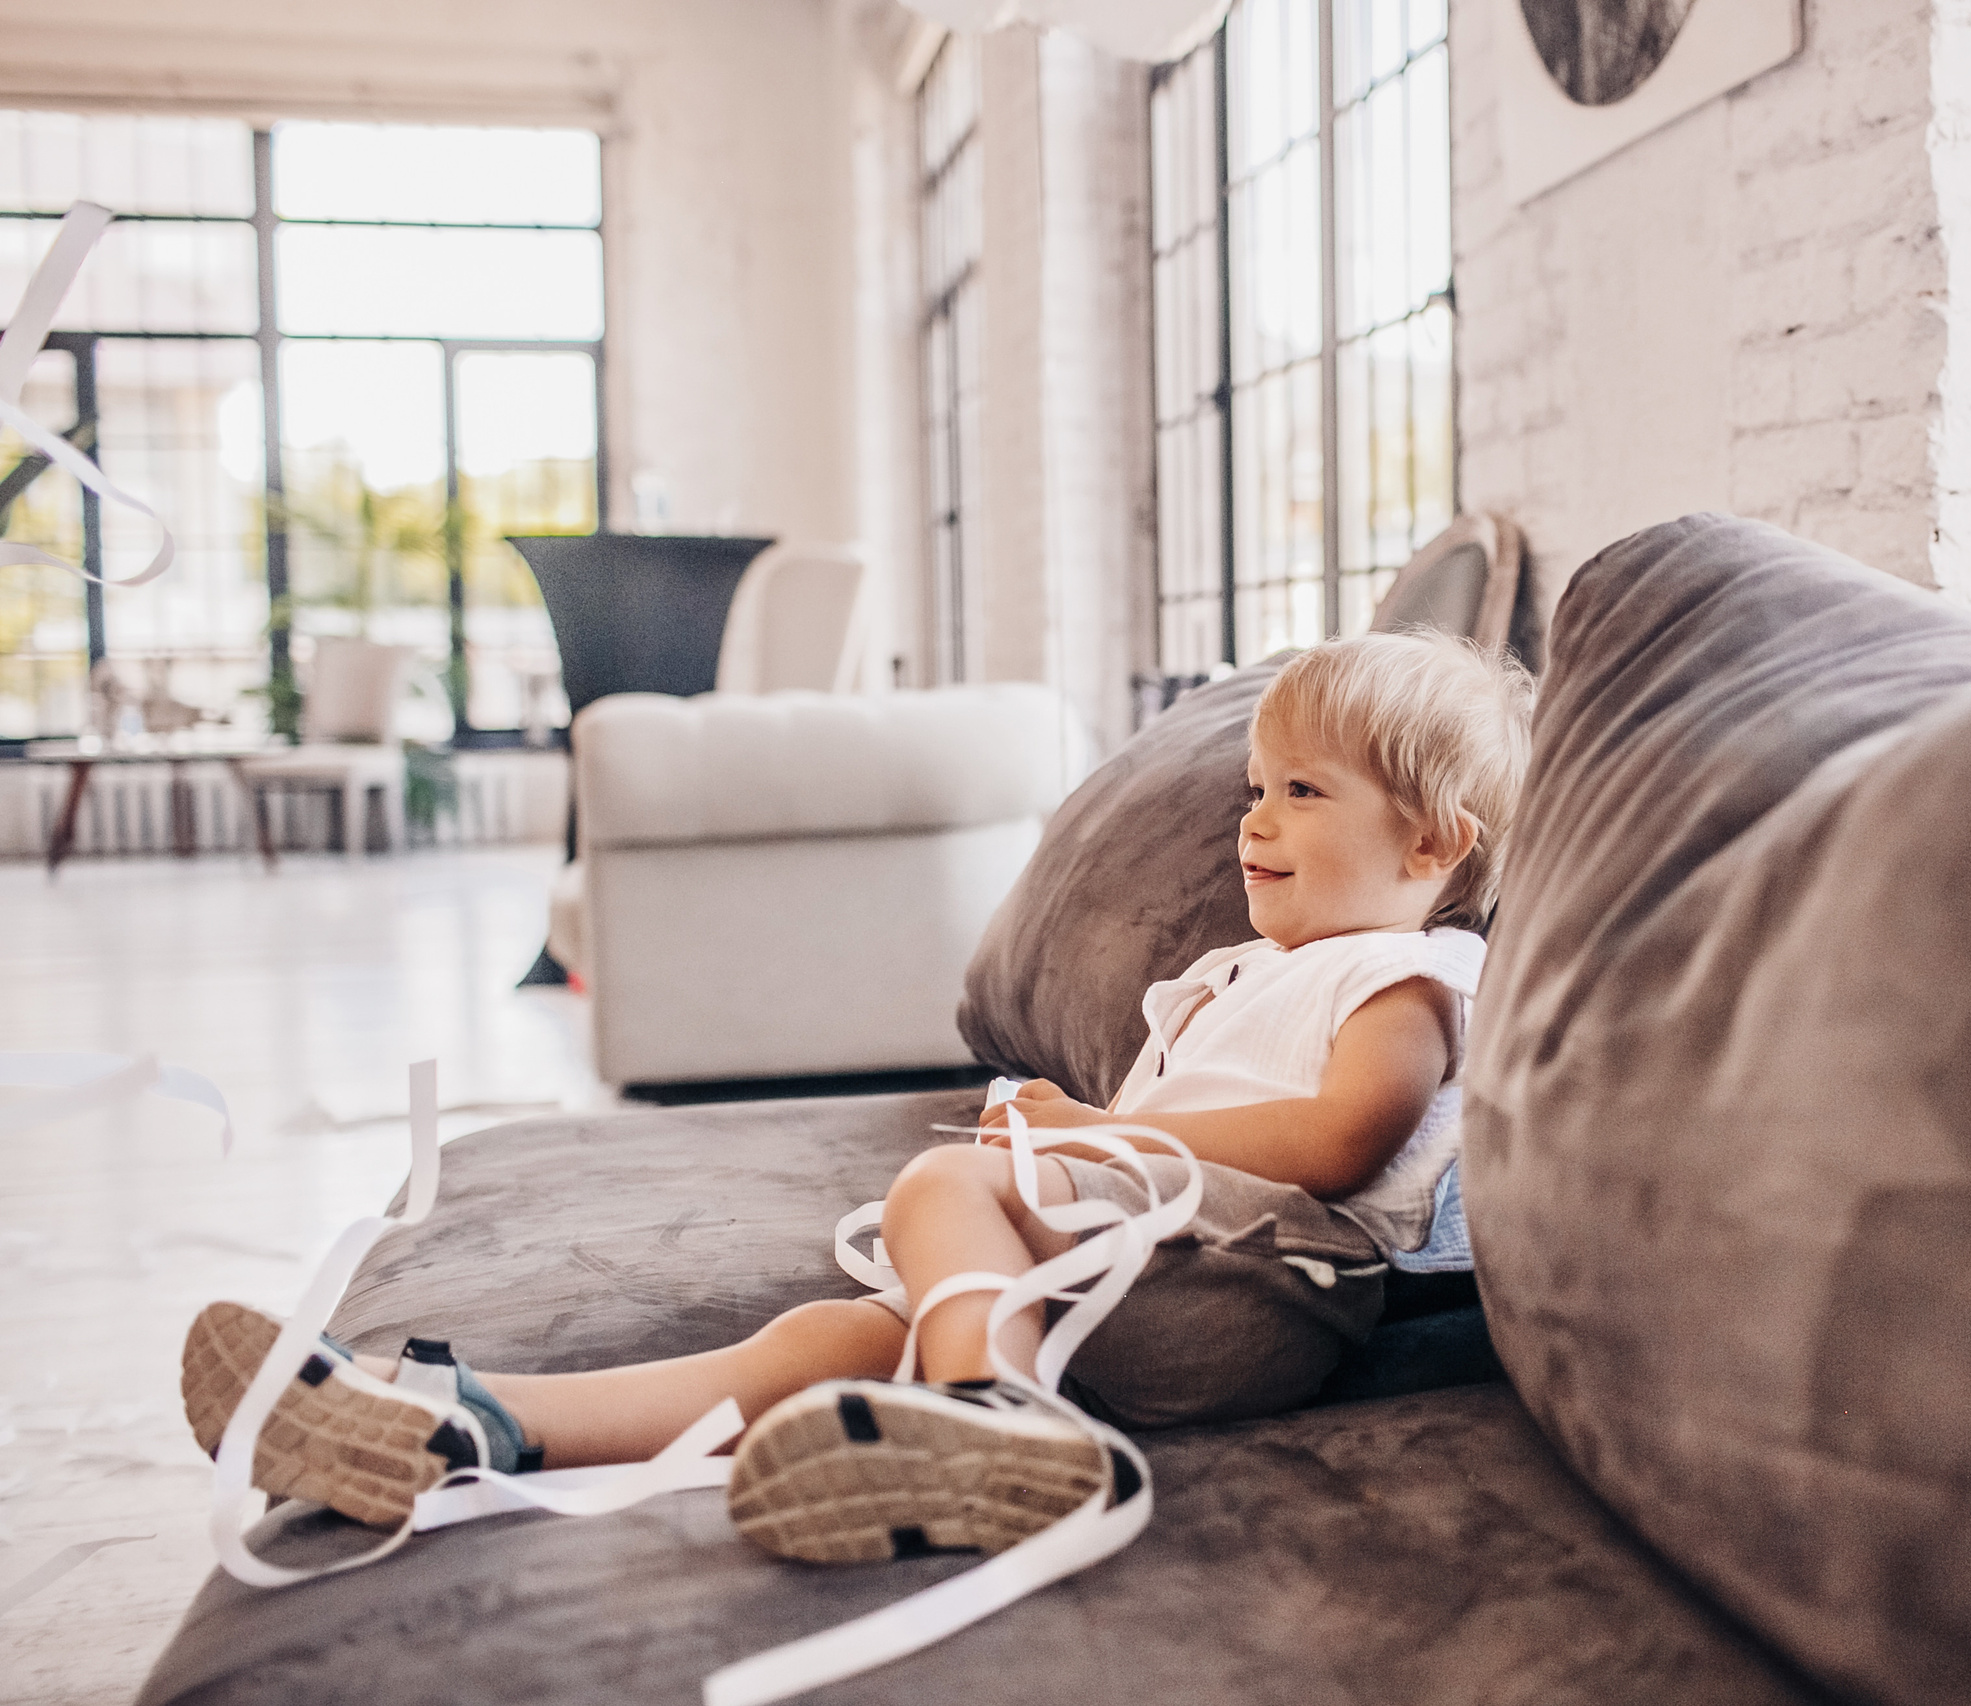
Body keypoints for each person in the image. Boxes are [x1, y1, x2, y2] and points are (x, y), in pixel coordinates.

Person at [180, 629, 1534, 1564]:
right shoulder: (1243, 974)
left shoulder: (1410, 975)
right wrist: (1074, 1148)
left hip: (1255, 1299)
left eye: (1301, 792)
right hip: (1162, 1262)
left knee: (943, 1179)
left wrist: (1090, 1135)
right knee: (825, 1338)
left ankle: (1006, 1429)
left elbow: (1344, 1134)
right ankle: (475, 1422)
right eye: (1255, 787)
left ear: (1432, 838)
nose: (1253, 819)